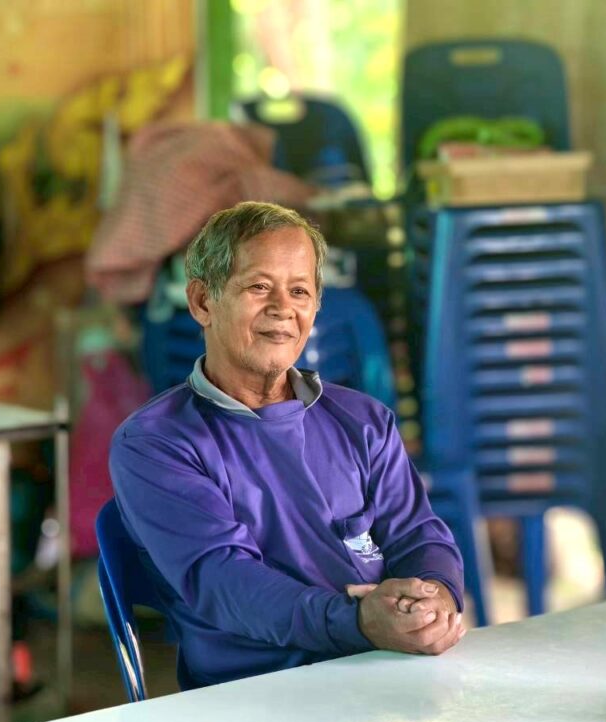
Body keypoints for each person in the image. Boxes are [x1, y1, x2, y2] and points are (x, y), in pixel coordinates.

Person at [109, 201, 465, 689]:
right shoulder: (156, 444)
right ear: (203, 302)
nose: (282, 308)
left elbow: (418, 535)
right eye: (259, 287)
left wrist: (435, 596)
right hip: (252, 694)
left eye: (299, 291)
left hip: (380, 669)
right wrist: (358, 621)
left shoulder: (363, 421)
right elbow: (224, 581)